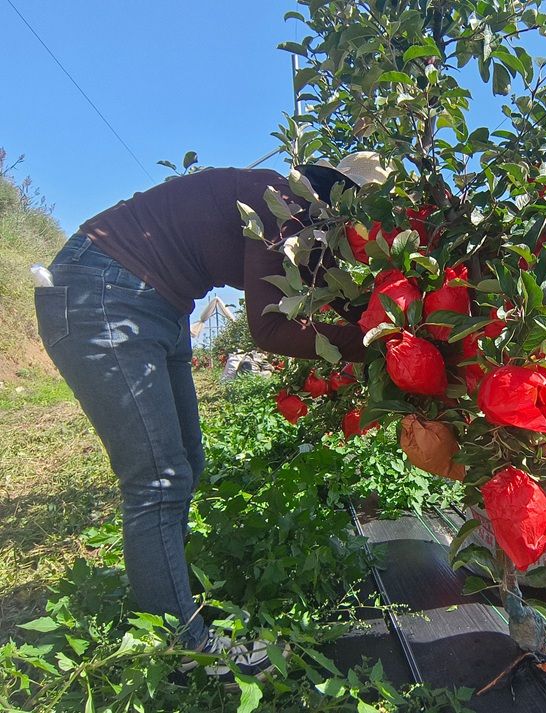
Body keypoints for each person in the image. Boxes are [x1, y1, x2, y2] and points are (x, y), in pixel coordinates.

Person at [33, 153, 383, 681]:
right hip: (103, 293)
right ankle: (186, 649)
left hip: (155, 303)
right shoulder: (283, 204)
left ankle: (172, 607)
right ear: (337, 199)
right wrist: (379, 347)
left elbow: (334, 297)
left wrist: (396, 325)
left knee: (185, 466)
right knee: (157, 480)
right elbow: (270, 330)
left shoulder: (304, 230)